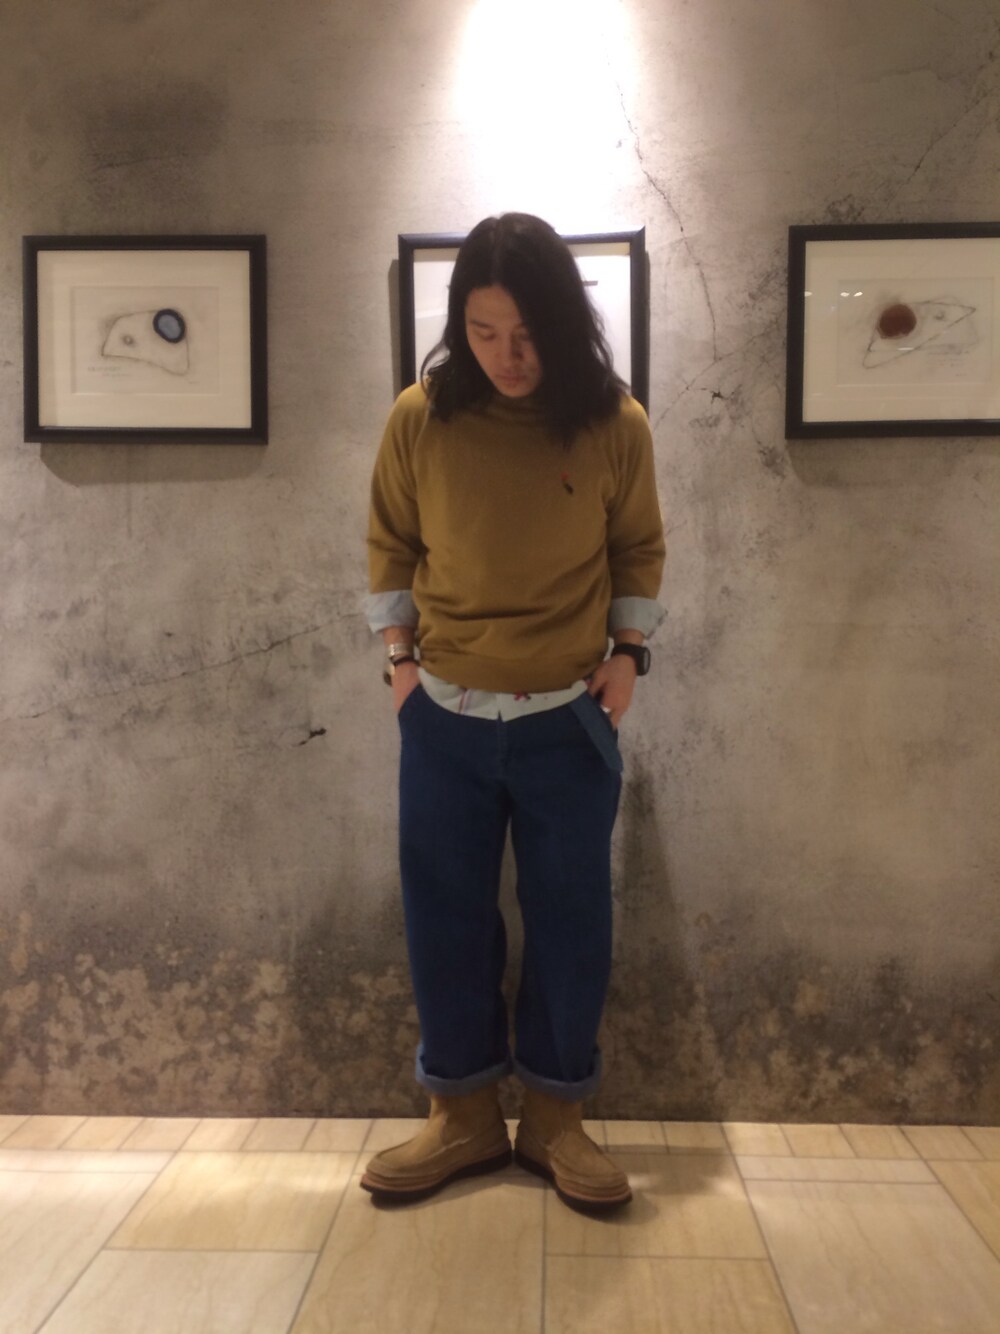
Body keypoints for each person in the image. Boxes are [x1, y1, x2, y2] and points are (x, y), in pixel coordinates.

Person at [362, 212, 665, 1212]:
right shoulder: (420, 418)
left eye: (527, 333)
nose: (506, 355)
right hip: (443, 716)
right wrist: (400, 667)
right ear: (460, 324)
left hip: (567, 718)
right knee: (444, 916)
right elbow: (390, 542)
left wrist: (628, 658)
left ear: (564, 323)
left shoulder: (615, 423)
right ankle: (459, 1115)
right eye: (484, 332)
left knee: (572, 920)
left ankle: (554, 1119)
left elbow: (637, 548)